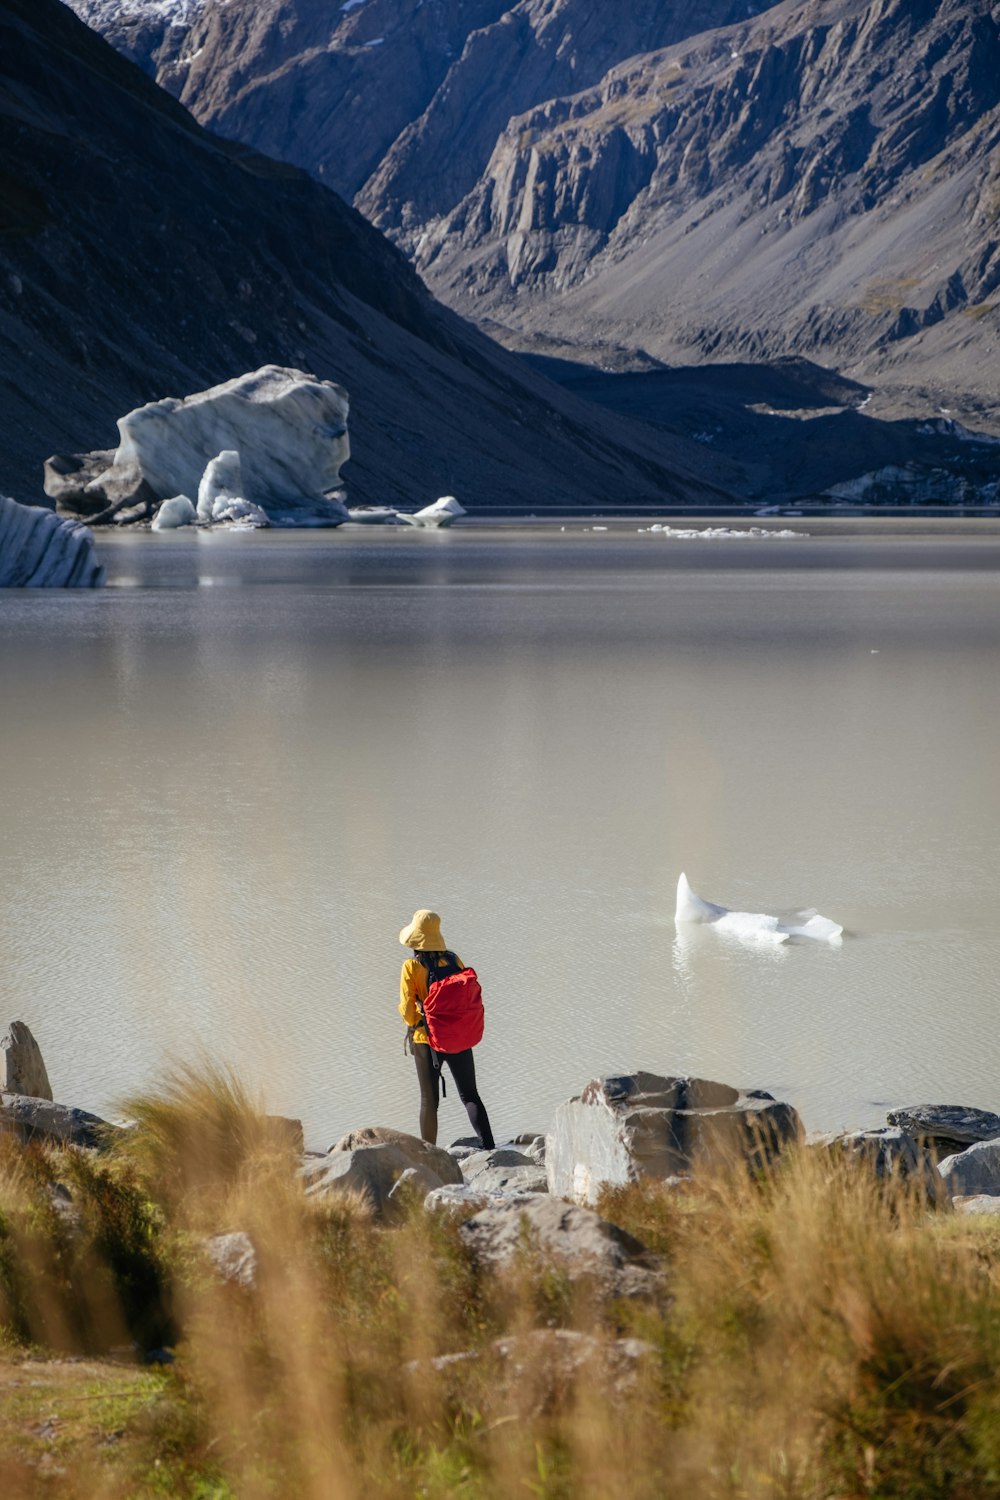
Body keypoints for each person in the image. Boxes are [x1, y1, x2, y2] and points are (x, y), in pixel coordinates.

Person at [398, 908, 495, 1149]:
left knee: (428, 1102)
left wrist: (416, 1024)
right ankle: (490, 1149)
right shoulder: (453, 959)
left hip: (427, 1039)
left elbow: (408, 1012)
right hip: (459, 1037)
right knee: (470, 1096)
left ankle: (428, 1156)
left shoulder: (411, 967)